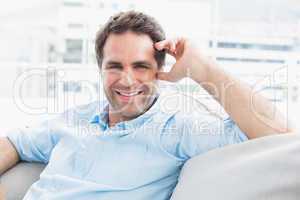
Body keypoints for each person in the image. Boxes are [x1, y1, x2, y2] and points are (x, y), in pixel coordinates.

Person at [0, 11, 294, 200]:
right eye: (115, 66)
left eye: (141, 66)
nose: (127, 80)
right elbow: (14, 142)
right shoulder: (76, 118)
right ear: (100, 68)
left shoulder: (178, 129)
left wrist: (203, 69)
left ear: (160, 70)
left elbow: (280, 136)